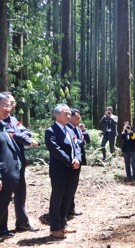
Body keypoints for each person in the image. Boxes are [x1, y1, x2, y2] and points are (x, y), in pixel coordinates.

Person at [3, 91, 39, 232]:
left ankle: (22, 223)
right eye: (8, 103)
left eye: (13, 103)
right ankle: (3, 228)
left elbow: (24, 131)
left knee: (21, 193)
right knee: (4, 197)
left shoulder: (13, 119)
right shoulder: (2, 122)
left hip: (19, 162)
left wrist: (22, 135)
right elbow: (14, 134)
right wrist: (27, 140)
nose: (12, 105)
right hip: (6, 164)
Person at [45, 104, 81, 239]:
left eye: (69, 114)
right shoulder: (51, 131)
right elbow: (55, 149)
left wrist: (77, 158)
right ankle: (54, 228)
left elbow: (77, 147)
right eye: (65, 114)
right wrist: (70, 161)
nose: (68, 116)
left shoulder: (71, 130)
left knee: (68, 197)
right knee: (58, 198)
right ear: (57, 115)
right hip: (60, 171)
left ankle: (63, 224)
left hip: (73, 170)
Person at [0, 93, 23, 237]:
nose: (8, 109)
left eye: (9, 106)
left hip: (7, 180)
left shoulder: (3, 125)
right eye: (4, 105)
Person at [66, 108, 90, 217]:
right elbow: (75, 142)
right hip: (70, 161)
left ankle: (71, 208)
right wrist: (81, 141)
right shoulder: (67, 128)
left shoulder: (78, 129)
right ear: (71, 117)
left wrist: (84, 131)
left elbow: (86, 140)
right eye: (77, 117)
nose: (79, 119)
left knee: (74, 185)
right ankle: (66, 209)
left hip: (78, 160)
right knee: (69, 186)